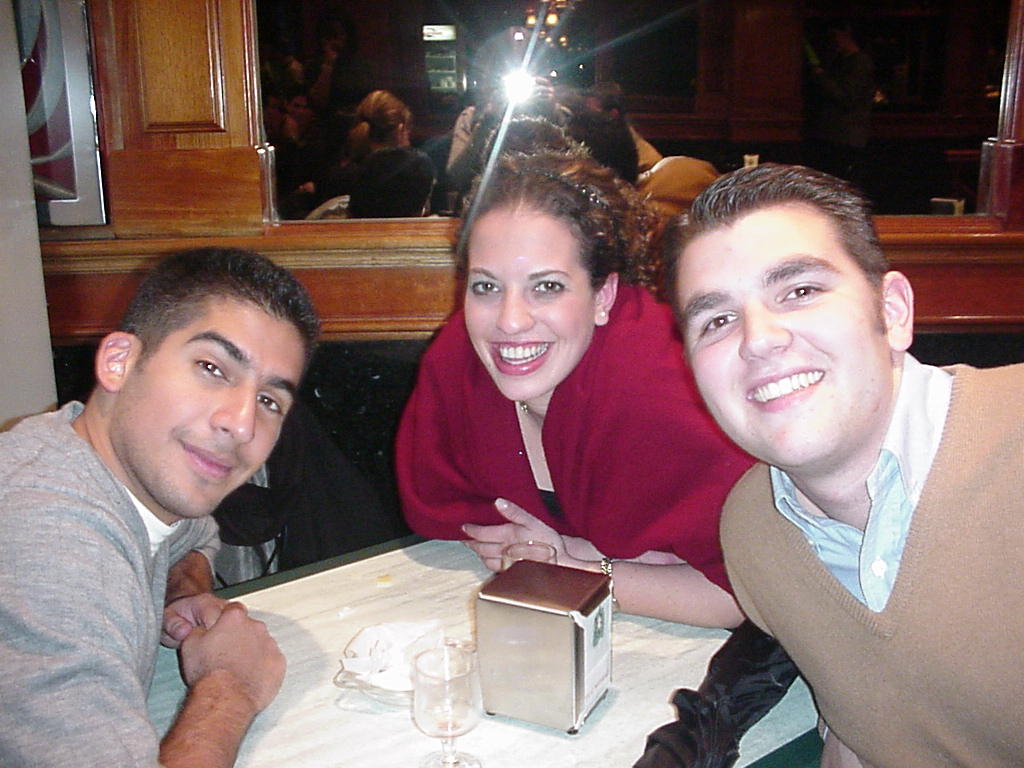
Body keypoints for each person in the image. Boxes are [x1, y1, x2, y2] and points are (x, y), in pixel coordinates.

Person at [669, 163, 1024, 766]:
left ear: (893, 311)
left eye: (800, 291)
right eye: (717, 320)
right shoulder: (754, 528)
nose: (759, 338)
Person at [396, 149, 753, 627]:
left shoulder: (667, 396)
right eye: (486, 287)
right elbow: (453, 515)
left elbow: (751, 596)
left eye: (547, 287)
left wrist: (573, 567)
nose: (510, 321)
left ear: (603, 294)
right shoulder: (456, 363)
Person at [0, 247, 320, 767]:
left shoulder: (88, 456)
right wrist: (231, 686)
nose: (241, 424)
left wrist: (183, 587)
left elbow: (196, 531)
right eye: (212, 368)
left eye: (269, 401)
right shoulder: (48, 539)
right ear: (119, 361)